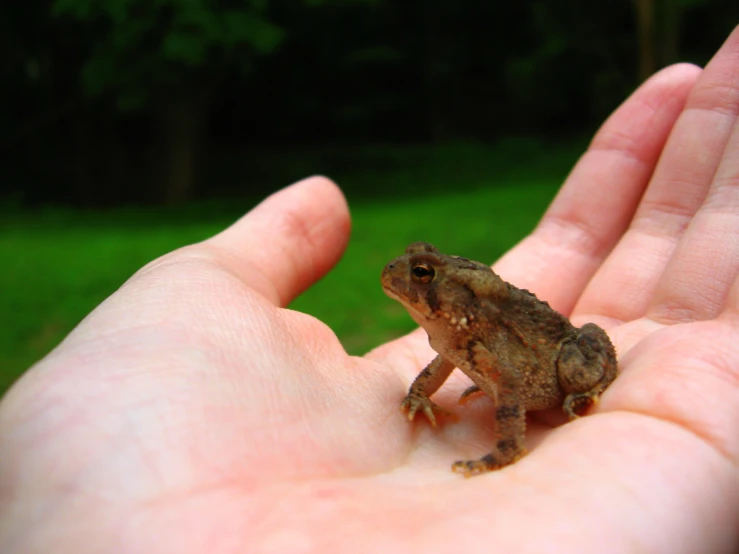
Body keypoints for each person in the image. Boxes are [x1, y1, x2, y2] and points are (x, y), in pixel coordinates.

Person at [2, 26, 739, 554]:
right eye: (416, 271)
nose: (405, 280)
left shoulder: (478, 326)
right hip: (504, 348)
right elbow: (450, 358)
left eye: (421, 276)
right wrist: (419, 393)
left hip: (550, 354)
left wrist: (505, 448)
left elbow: (510, 383)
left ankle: (578, 389)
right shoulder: (453, 330)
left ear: (446, 293)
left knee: (576, 363)